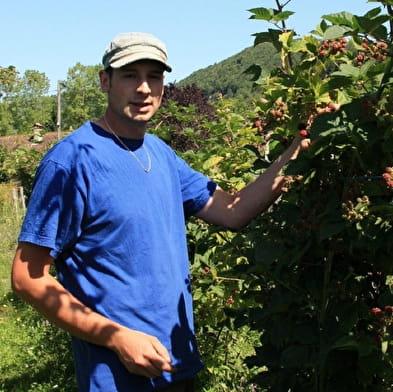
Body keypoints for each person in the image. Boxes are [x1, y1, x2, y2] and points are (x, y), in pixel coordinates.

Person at [11, 32, 309, 392]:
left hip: (178, 363)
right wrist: (117, 338)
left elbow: (233, 211)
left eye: (154, 76)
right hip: (116, 376)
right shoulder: (72, 161)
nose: (143, 88)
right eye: (129, 75)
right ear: (105, 81)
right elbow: (28, 278)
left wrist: (298, 149)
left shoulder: (161, 154)